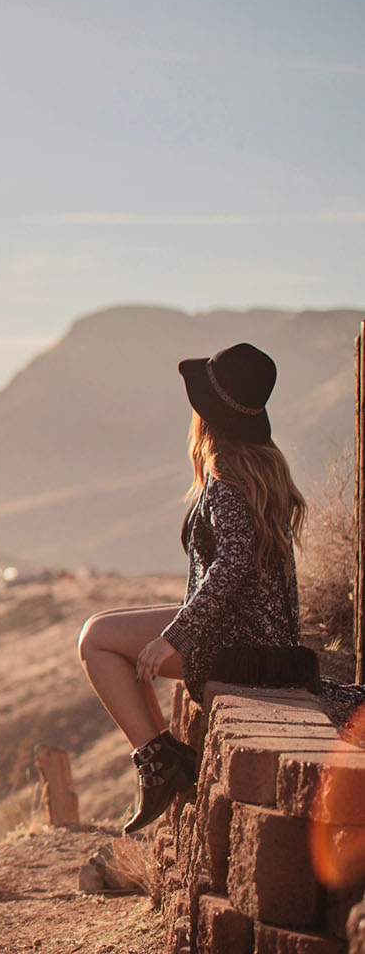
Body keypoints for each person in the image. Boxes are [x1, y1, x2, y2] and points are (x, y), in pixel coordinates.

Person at [77, 342, 306, 834]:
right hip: (267, 645)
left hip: (239, 650)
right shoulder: (264, 470)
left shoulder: (225, 477)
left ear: (207, 417)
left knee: (95, 641)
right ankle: (163, 758)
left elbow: (233, 565)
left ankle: (161, 764)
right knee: (103, 631)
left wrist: (173, 637)